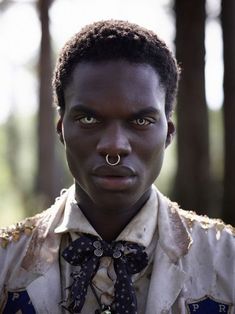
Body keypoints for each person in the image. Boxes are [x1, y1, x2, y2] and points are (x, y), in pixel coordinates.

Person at [0, 20, 234, 314]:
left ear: (168, 134)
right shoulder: (5, 262)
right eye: (89, 119)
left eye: (140, 121)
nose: (114, 146)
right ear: (61, 130)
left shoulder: (228, 261)